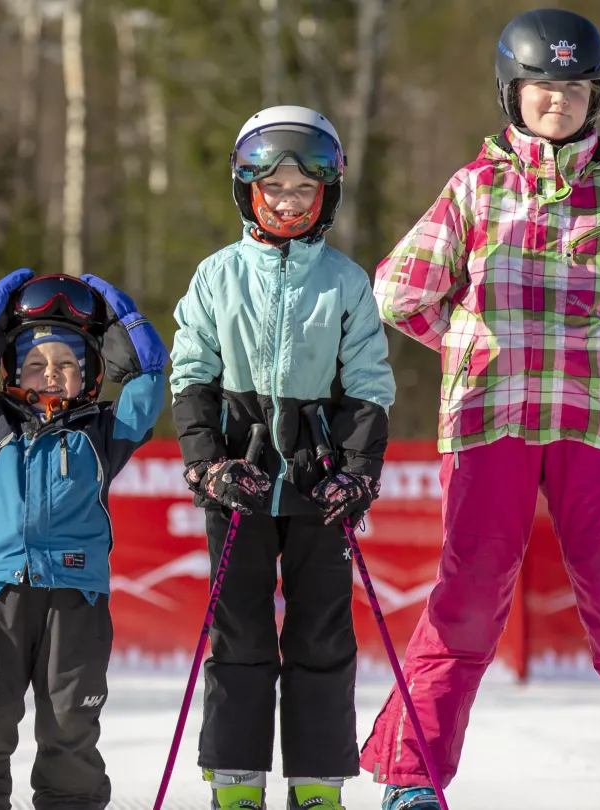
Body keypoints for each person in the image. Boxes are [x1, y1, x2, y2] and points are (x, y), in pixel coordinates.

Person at [362, 9, 600, 810]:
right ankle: (412, 780)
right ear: (512, 94)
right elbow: (396, 290)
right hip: (490, 417)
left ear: (597, 98)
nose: (557, 101)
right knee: (466, 594)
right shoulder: (474, 188)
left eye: (574, 87)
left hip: (594, 423)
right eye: (541, 87)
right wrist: (462, 340)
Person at [170, 104, 396, 810]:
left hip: (315, 480)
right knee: (237, 628)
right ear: (248, 192)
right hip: (241, 479)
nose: (290, 204)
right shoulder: (217, 275)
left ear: (325, 195)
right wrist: (208, 462)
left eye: (305, 191)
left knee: (323, 628)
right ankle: (236, 780)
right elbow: (191, 373)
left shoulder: (345, 281)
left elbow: (367, 383)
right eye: (276, 191)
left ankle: (317, 782)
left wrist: (356, 472)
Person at [0, 270, 168, 810]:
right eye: (35, 364)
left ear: (89, 374)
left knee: (71, 733)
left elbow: (150, 381)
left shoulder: (103, 433)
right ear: (11, 370)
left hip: (76, 599)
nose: (51, 375)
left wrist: (123, 319)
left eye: (66, 364)